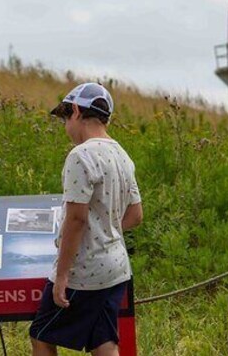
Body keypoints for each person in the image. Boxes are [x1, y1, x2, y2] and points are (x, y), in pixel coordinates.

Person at [29, 83, 143, 356]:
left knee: (41, 335)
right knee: (102, 340)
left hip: (84, 273)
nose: (65, 126)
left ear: (77, 111)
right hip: (116, 269)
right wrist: (106, 230)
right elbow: (136, 214)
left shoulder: (80, 156)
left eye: (65, 118)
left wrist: (62, 276)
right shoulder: (121, 155)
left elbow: (76, 219)